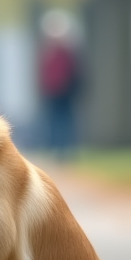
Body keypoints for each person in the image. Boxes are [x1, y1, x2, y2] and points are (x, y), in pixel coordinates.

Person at [37, 9, 80, 159]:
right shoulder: (48, 51)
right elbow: (43, 72)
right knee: (54, 121)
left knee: (65, 120)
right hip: (52, 91)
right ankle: (55, 148)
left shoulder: (67, 51)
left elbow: (73, 71)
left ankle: (66, 149)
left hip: (65, 91)